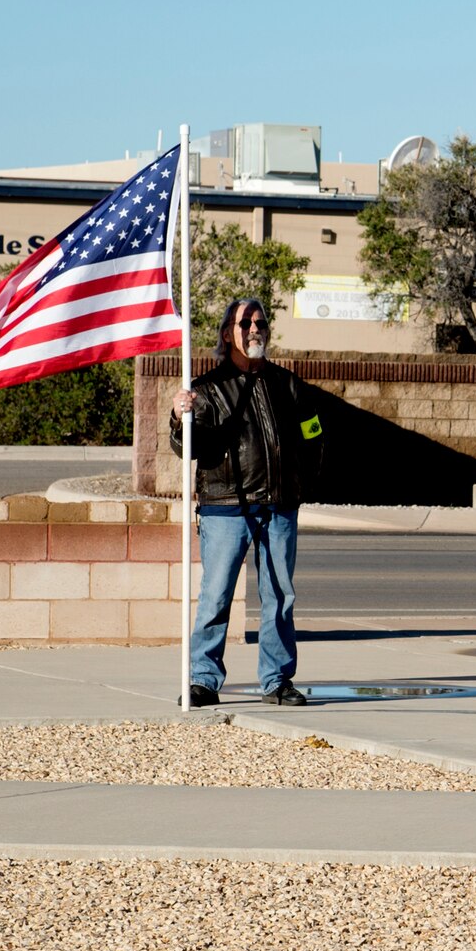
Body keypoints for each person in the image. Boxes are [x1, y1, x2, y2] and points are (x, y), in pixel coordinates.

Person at [170, 298, 324, 708]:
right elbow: (186, 448)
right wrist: (177, 416)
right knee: (216, 595)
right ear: (227, 334)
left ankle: (277, 681)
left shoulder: (288, 385)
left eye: (261, 322)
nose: (255, 329)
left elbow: (314, 434)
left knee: (279, 595)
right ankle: (203, 680)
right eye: (246, 323)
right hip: (226, 507)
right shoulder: (206, 389)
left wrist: (302, 481)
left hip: (279, 507)